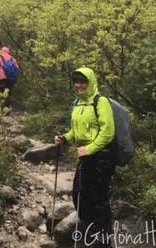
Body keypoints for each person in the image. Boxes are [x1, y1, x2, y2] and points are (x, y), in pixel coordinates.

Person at [55, 68, 115, 248]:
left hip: (101, 158)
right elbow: (77, 131)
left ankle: (103, 240)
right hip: (86, 158)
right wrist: (65, 137)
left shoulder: (100, 102)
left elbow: (108, 132)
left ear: (90, 82)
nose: (78, 85)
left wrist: (91, 148)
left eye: (82, 81)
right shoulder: (78, 103)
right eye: (76, 81)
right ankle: (91, 232)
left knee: (98, 199)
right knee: (79, 196)